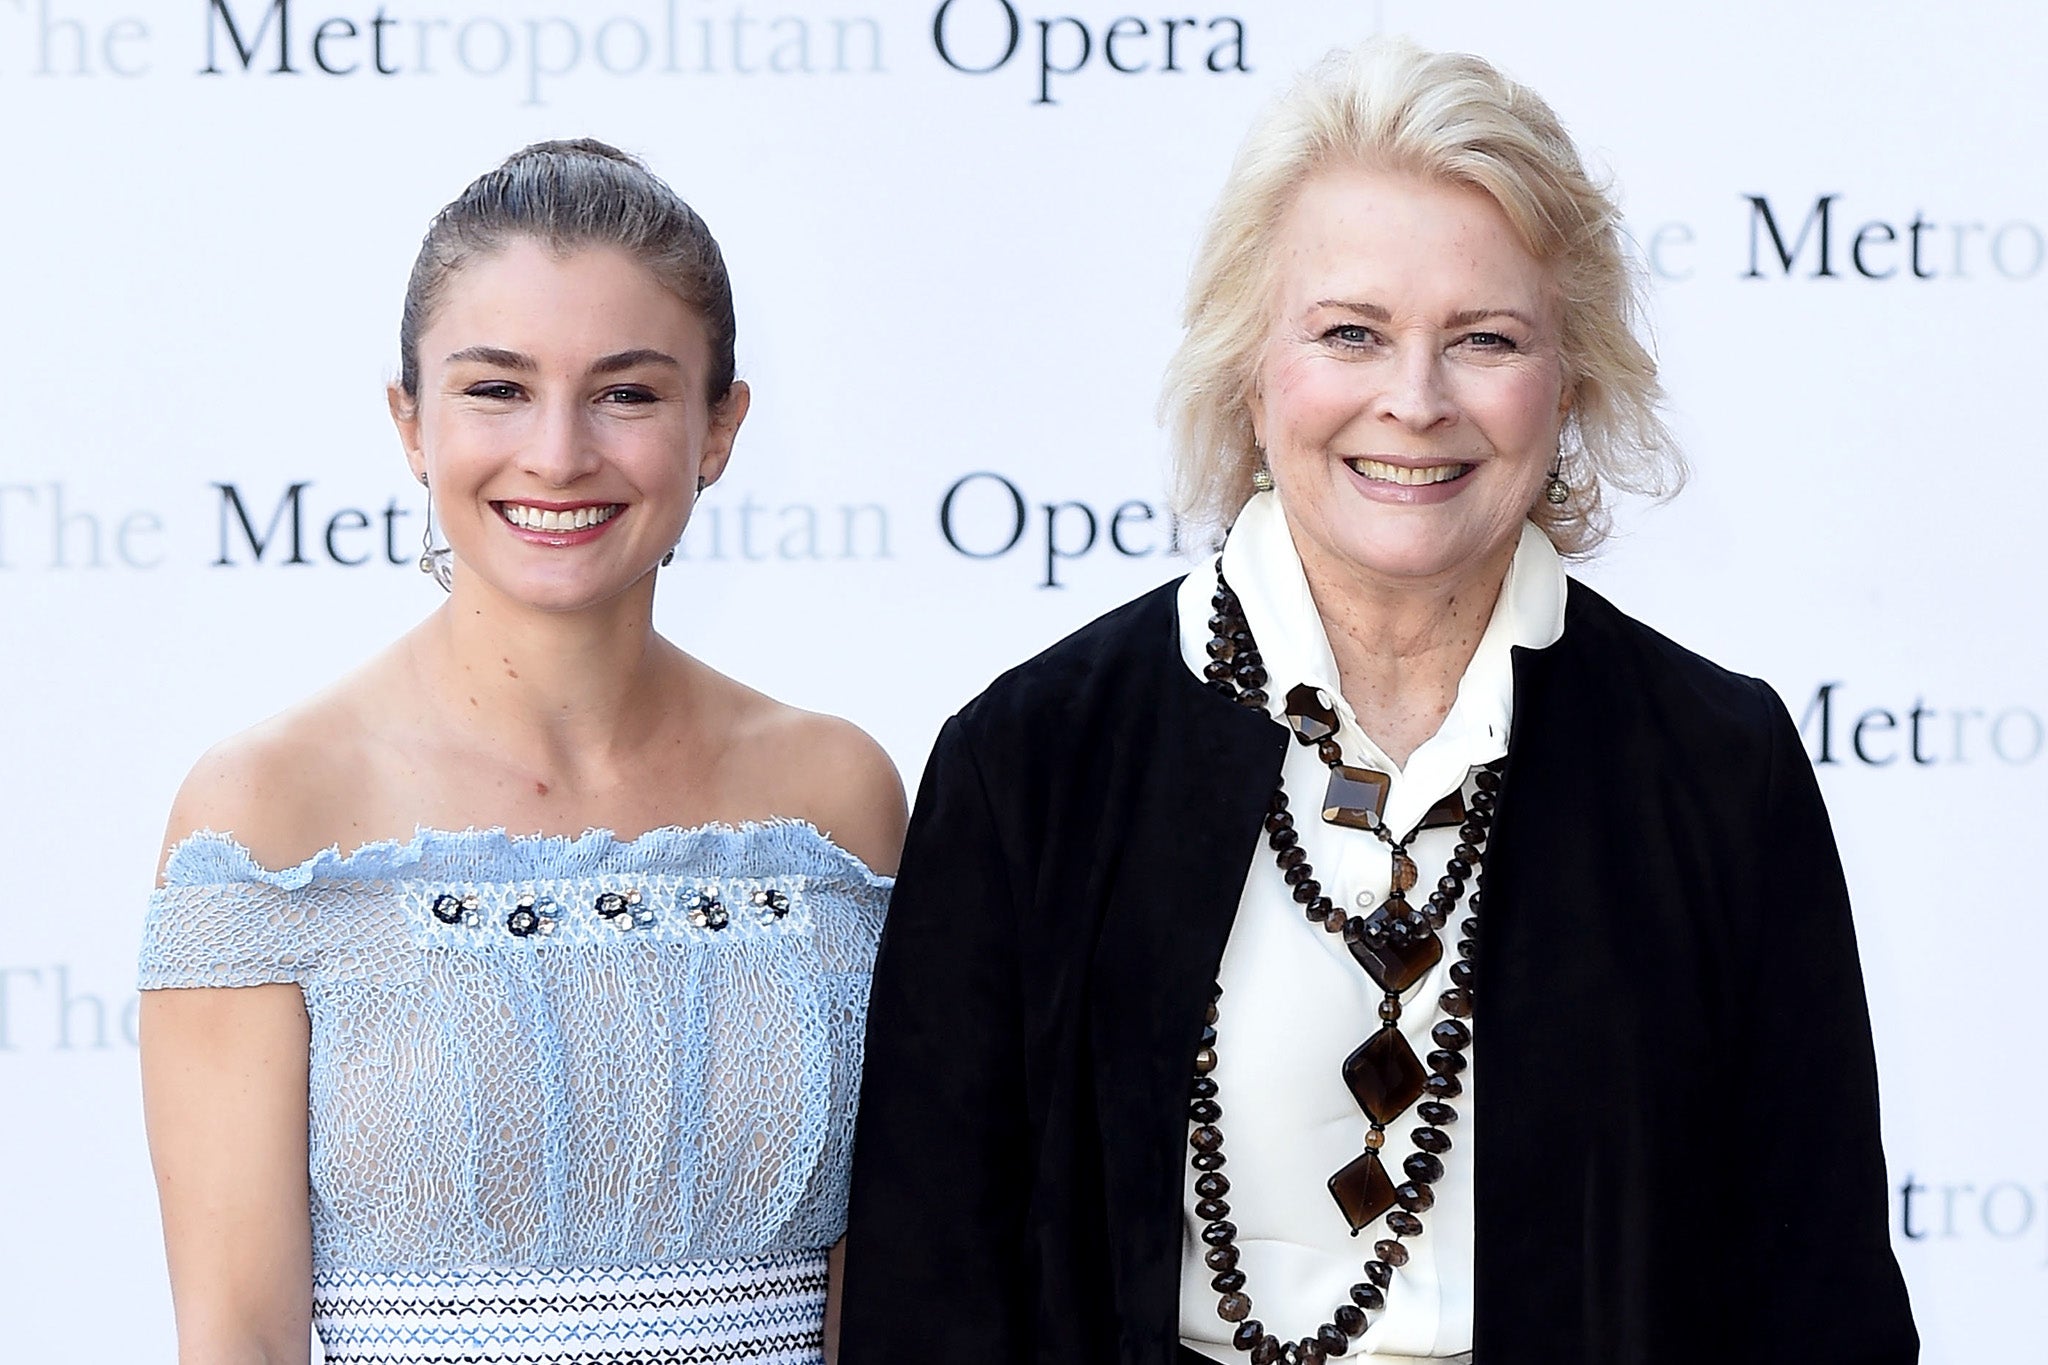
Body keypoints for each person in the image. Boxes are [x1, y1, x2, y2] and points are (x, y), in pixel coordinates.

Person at [840, 39, 1915, 1365]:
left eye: (1484, 339)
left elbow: (1820, 1303)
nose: (1414, 401)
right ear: (1249, 368)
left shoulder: (1716, 769)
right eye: (1350, 332)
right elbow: (929, 1296)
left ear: (1569, 381)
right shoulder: (1036, 761)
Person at [138, 139, 904, 1364]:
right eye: (496, 388)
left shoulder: (835, 799)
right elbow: (239, 1338)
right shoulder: (268, 815)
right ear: (410, 423)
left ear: (718, 428)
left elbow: (889, 1304)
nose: (556, 452)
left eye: (627, 394)